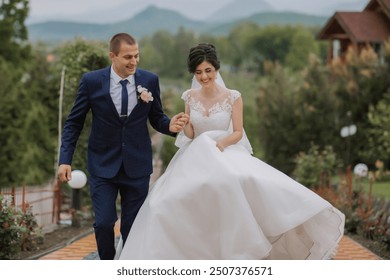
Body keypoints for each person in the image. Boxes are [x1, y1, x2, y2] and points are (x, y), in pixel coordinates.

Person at [118, 43, 345, 260]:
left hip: (224, 149)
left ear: (216, 69)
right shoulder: (189, 96)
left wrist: (220, 146)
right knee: (166, 202)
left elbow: (237, 132)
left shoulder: (233, 96)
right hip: (194, 157)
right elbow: (190, 134)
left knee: (236, 184)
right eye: (198, 72)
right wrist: (184, 122)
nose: (204, 77)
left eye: (208, 70)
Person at [57, 33, 188, 260]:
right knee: (104, 223)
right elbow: (73, 123)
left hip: (137, 166)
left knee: (133, 227)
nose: (134, 62)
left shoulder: (149, 80)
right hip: (102, 165)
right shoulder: (91, 82)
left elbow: (157, 118)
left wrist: (171, 126)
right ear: (112, 56)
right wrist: (64, 159)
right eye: (128, 57)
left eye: (137, 56)